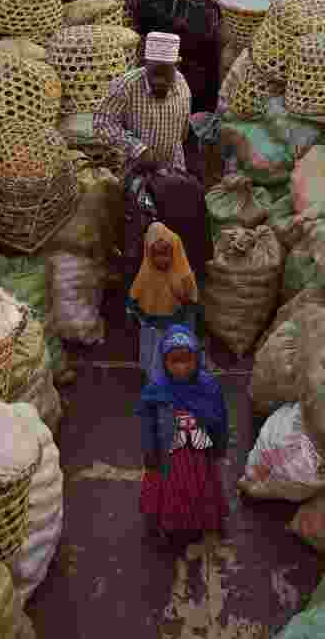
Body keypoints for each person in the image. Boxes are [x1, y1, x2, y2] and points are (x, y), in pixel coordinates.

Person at [136, 325, 229, 546]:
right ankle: (170, 525)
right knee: (172, 490)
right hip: (169, 456)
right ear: (163, 361)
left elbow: (220, 419)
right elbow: (148, 424)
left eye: (187, 361)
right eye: (174, 361)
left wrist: (220, 447)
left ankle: (197, 522)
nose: (181, 368)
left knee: (199, 487)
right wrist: (149, 451)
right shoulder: (156, 389)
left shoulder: (208, 387)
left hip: (199, 454)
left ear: (197, 359)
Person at [94, 31, 192, 175]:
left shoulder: (182, 85)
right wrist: (139, 150)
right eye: (154, 74)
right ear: (145, 64)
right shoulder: (126, 85)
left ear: (176, 66)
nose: (159, 81)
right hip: (134, 170)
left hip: (171, 168)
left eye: (165, 74)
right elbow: (102, 122)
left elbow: (182, 134)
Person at [128, 222, 200, 381]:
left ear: (174, 250)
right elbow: (137, 290)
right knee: (155, 351)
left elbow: (190, 297)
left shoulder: (182, 273)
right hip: (154, 325)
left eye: (165, 254)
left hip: (176, 324)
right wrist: (133, 305)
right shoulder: (147, 272)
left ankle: (177, 376)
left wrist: (181, 295)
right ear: (148, 253)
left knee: (174, 352)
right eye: (156, 254)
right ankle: (156, 378)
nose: (161, 260)